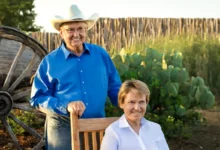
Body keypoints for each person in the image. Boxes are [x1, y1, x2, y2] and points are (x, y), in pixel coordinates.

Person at [30, 4, 121, 150]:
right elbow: (37, 98)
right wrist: (66, 105)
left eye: (80, 29)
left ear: (86, 30)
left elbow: (114, 86)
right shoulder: (50, 61)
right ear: (61, 33)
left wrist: (129, 102)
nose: (76, 34)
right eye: (70, 30)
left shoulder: (100, 55)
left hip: (96, 127)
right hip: (63, 132)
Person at [100, 79, 169, 150]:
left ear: (146, 103)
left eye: (141, 102)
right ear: (121, 104)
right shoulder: (113, 132)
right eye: (131, 102)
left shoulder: (155, 129)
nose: (137, 108)